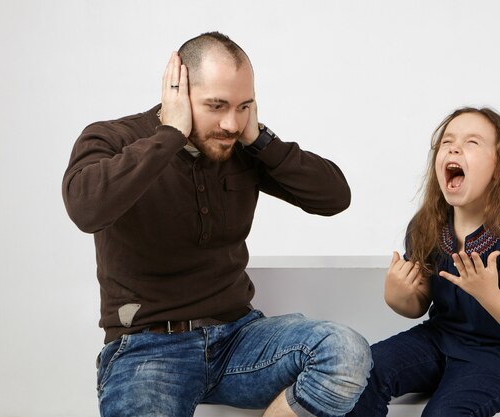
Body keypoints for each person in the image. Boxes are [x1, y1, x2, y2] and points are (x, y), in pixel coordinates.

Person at [62, 31, 371, 417]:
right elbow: (86, 208)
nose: (230, 122)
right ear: (178, 92)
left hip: (239, 339)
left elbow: (334, 197)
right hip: (147, 350)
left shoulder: (241, 145)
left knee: (345, 351)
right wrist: (170, 135)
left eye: (244, 106)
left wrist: (260, 141)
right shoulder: (113, 138)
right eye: (217, 105)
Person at [348, 107, 500, 417]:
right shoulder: (427, 226)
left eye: (472, 142)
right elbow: (419, 304)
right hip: (442, 339)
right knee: (361, 374)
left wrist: (489, 295)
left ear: (499, 169)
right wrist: (397, 295)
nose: (455, 147)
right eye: (447, 142)